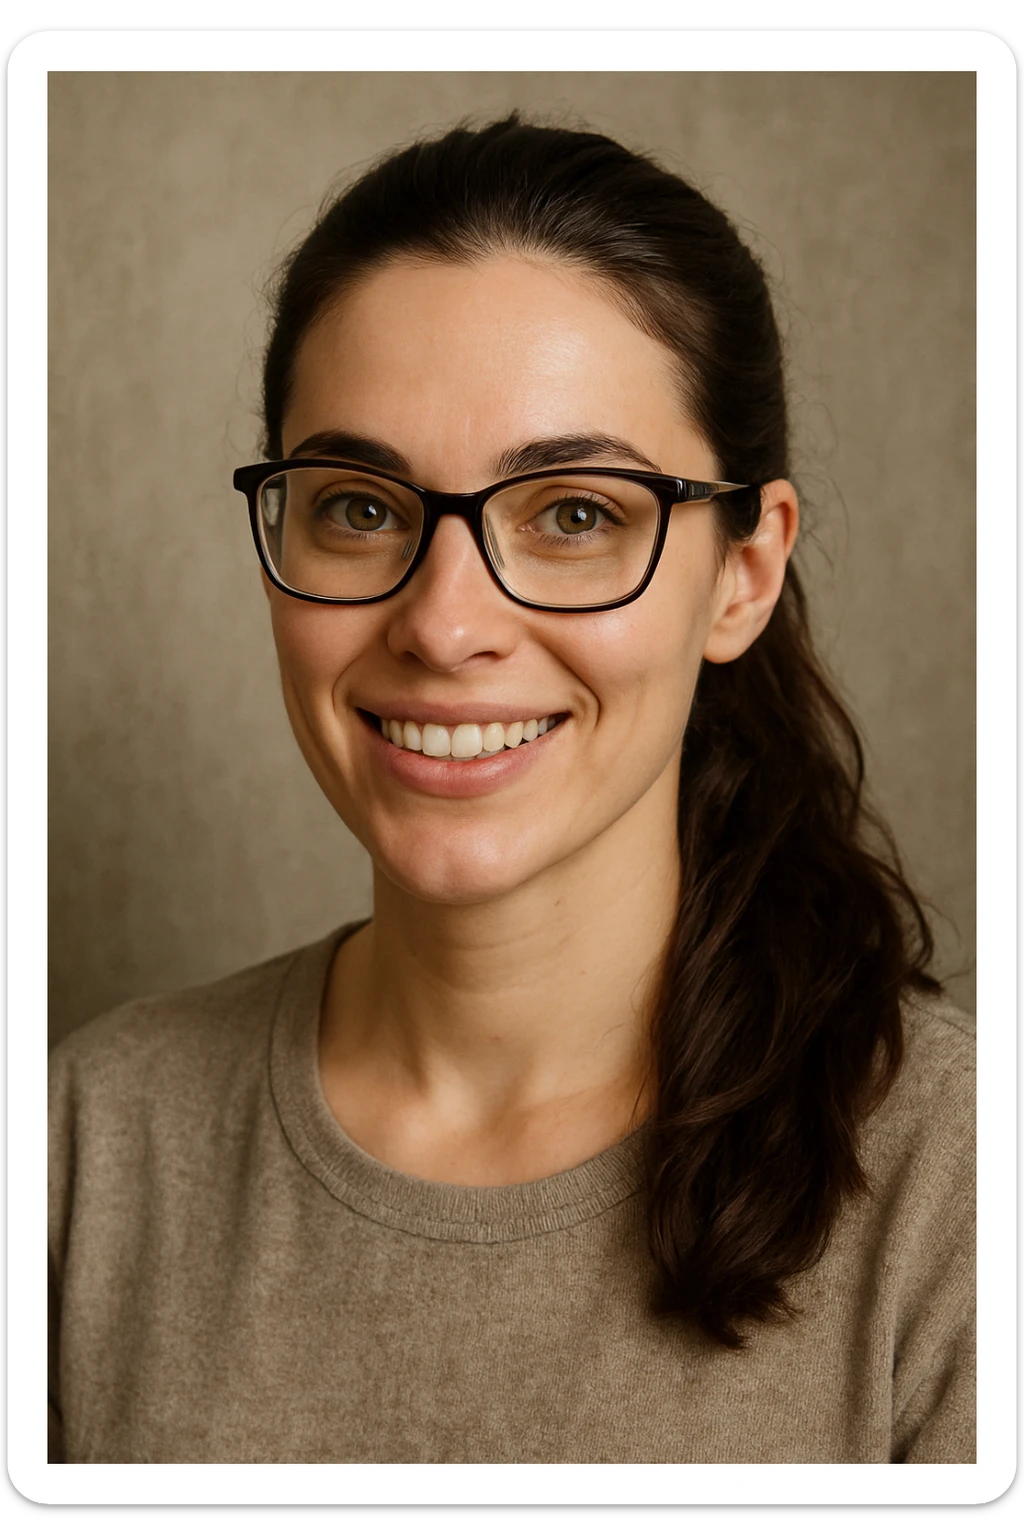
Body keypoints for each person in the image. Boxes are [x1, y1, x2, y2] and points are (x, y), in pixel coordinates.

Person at [47, 113, 974, 1465]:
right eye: (360, 506)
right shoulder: (88, 1151)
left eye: (577, 514)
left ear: (744, 573)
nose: (443, 624)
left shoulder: (958, 1196)